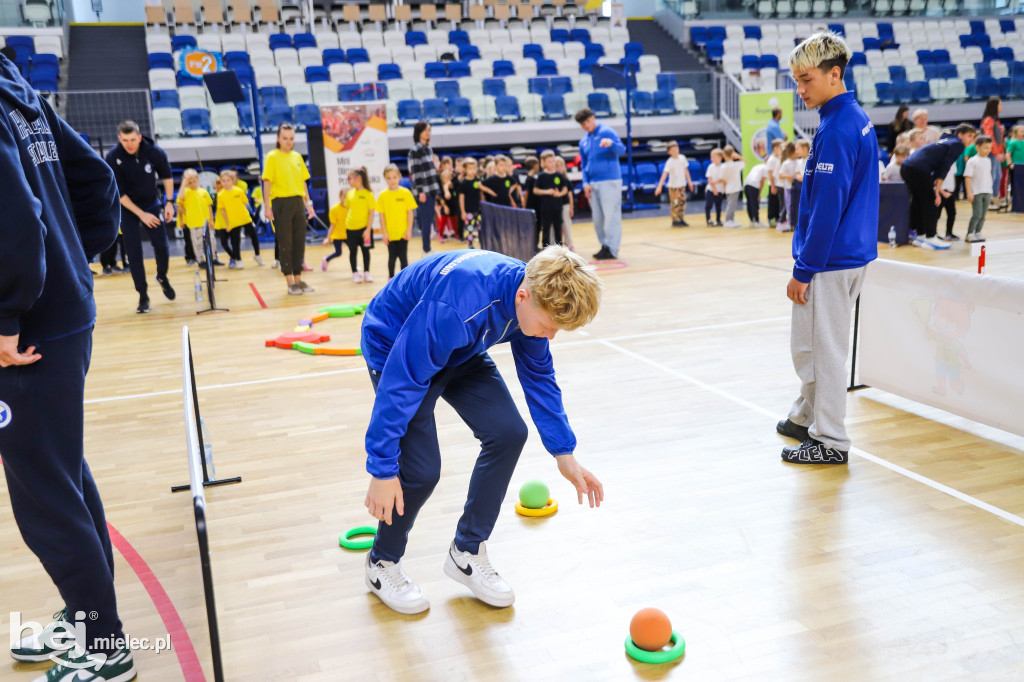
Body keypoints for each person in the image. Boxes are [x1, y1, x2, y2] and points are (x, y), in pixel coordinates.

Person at [360, 245, 605, 614]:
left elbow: (539, 377)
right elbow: (403, 379)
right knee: (421, 472)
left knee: (508, 433)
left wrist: (564, 453)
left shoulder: (534, 294)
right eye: (548, 327)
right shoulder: (459, 305)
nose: (549, 337)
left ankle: (467, 552)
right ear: (522, 297)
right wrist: (382, 468)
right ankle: (381, 563)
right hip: (396, 347)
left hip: (458, 348)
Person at [0, 51, 137, 681]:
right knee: (62, 469)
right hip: (61, 312)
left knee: (43, 490)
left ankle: (105, 648)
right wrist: (72, 265)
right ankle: (88, 617)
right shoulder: (16, 84)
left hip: (25, 332)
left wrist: (10, 313)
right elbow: (95, 178)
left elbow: (16, 221)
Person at [776, 31, 879, 466]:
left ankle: (831, 439)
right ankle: (807, 415)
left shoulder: (838, 128)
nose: (800, 91)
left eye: (807, 80)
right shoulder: (848, 118)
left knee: (821, 350)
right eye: (797, 81)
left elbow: (827, 209)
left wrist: (805, 268)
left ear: (834, 74)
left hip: (830, 261)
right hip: (845, 256)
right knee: (814, 346)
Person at [104, 120, 176, 314]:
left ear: (140, 137)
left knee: (162, 248)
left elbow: (167, 177)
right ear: (119, 139)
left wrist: (169, 202)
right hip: (128, 209)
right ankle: (143, 296)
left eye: (133, 140)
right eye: (125, 140)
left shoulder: (154, 152)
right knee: (134, 253)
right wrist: (141, 215)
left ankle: (162, 276)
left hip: (152, 204)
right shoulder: (112, 157)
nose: (129, 144)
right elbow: (119, 194)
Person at [900, 123, 977, 249]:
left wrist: (937, 187)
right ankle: (931, 237)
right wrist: (937, 189)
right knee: (929, 202)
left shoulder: (947, 140)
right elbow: (944, 166)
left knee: (919, 202)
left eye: (973, 137)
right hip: (919, 169)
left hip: (907, 167)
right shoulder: (958, 144)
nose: (971, 140)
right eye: (969, 136)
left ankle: (920, 237)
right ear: (960, 135)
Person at [262, 122, 316, 295]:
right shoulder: (272, 156)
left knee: (299, 241)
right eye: (285, 138)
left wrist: (309, 203)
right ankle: (289, 281)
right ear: (278, 139)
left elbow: (303, 183)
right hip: (280, 203)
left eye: (291, 138)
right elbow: (267, 182)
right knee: (286, 243)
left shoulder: (297, 157)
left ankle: (299, 280)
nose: (288, 142)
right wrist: (267, 206)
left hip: (298, 202)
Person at [575, 107, 625, 260]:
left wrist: (611, 144)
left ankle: (612, 248)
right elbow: (584, 164)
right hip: (593, 183)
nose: (587, 126)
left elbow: (622, 149)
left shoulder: (607, 132)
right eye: (583, 124)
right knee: (598, 219)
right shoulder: (584, 141)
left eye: (588, 122)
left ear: (593, 117)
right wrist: (585, 182)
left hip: (609, 180)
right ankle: (604, 245)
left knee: (611, 216)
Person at [377, 164, 417, 278]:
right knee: (392, 257)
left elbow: (410, 213)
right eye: (388, 178)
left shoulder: (406, 193)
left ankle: (405, 280)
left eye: (394, 177)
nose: (392, 180)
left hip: (403, 233)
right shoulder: (383, 195)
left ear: (399, 177)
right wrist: (384, 233)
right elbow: (381, 216)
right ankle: (390, 278)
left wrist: (409, 230)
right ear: (385, 178)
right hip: (390, 234)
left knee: (403, 257)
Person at [408, 121, 441, 254]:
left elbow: (429, 171)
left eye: (429, 130)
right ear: (419, 132)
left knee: (429, 220)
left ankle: (427, 248)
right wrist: (421, 191)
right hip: (424, 192)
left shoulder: (428, 148)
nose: (428, 132)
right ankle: (426, 249)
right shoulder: (415, 150)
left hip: (431, 189)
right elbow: (416, 173)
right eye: (426, 130)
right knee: (426, 221)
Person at [176, 169, 217, 267]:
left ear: (198, 179)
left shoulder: (203, 191)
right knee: (197, 244)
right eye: (189, 182)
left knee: (211, 241)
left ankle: (213, 259)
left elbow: (209, 206)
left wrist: (211, 220)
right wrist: (184, 182)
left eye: (194, 181)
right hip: (193, 224)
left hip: (206, 222)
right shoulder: (185, 192)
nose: (192, 184)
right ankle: (200, 260)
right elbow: (180, 201)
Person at [343, 167, 376, 283]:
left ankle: (367, 272)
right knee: (353, 251)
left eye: (349, 178)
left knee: (365, 251)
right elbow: (348, 209)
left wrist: (368, 230)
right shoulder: (350, 193)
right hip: (351, 229)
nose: (348, 181)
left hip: (364, 230)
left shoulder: (368, 195)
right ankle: (355, 273)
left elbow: (371, 214)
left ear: (358, 179)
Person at [217, 170, 255, 269]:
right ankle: (234, 257)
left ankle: (239, 259)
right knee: (225, 243)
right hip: (227, 222)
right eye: (223, 181)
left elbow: (245, 204)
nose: (225, 183)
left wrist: (250, 217)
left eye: (228, 180)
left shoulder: (239, 191)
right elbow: (223, 211)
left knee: (237, 241)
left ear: (232, 180)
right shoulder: (220, 195)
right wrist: (227, 223)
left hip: (241, 219)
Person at [533, 150, 570, 246]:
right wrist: (547, 191)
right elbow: (535, 190)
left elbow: (565, 189)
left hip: (557, 208)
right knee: (546, 229)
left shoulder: (558, 175)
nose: (552, 163)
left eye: (553, 161)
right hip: (546, 208)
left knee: (558, 230)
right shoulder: (541, 176)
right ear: (544, 163)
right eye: (549, 161)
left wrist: (560, 194)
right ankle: (545, 249)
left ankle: (559, 250)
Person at [654, 141, 694, 227]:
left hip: (682, 185)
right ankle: (675, 220)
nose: (676, 150)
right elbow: (665, 174)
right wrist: (659, 186)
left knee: (682, 203)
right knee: (675, 204)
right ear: (669, 152)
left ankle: (681, 218)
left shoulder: (682, 158)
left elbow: (686, 170)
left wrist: (690, 182)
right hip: (673, 187)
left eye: (677, 148)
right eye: (673, 149)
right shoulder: (670, 162)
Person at [458, 158, 495, 247]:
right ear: (465, 170)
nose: (473, 170)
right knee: (469, 228)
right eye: (470, 168)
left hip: (478, 209)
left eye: (474, 168)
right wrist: (463, 212)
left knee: (480, 228)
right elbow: (461, 199)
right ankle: (470, 245)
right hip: (468, 211)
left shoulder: (477, 181)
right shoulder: (463, 183)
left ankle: (481, 244)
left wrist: (490, 192)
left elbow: (482, 191)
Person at [964, 134, 994, 243]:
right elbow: (968, 177)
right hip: (976, 192)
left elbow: (988, 176)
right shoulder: (972, 161)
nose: (988, 150)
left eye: (989, 148)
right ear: (977, 147)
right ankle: (970, 233)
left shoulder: (988, 160)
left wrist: (991, 191)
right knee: (976, 214)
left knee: (983, 215)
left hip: (987, 191)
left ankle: (978, 232)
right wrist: (969, 192)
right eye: (985, 147)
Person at [979, 97, 1007, 210]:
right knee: (992, 176)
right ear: (994, 106)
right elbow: (989, 138)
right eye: (1000, 104)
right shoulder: (988, 120)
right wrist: (997, 152)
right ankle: (988, 200)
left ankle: (994, 198)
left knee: (997, 176)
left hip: (995, 153)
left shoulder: (995, 120)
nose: (1001, 107)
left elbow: (999, 139)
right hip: (990, 153)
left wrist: (1001, 151)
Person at [321, 189, 347, 271]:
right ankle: (326, 259)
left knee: (353, 251)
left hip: (348, 235)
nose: (346, 198)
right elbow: (332, 225)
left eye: (348, 196)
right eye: (344, 196)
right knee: (338, 253)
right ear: (340, 197)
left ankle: (355, 270)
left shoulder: (352, 208)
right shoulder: (335, 209)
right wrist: (327, 239)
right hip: (337, 235)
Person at [720, 145, 745, 228]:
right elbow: (744, 161)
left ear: (724, 155)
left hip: (728, 188)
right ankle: (728, 220)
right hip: (735, 188)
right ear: (732, 153)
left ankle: (731, 219)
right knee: (732, 205)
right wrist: (738, 156)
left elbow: (723, 179)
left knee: (730, 204)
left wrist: (724, 188)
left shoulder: (723, 166)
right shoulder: (736, 165)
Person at [555, 156, 575, 250]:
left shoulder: (565, 179)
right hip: (555, 206)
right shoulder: (552, 179)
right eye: (557, 166)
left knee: (567, 226)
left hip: (565, 205)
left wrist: (571, 207)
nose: (559, 168)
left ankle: (569, 244)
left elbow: (570, 195)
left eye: (561, 166)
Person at [777, 142, 796, 232]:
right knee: (789, 206)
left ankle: (794, 223)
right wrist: (788, 176)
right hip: (788, 187)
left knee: (795, 206)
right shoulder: (786, 163)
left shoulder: (798, 161)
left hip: (797, 188)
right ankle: (789, 224)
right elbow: (780, 175)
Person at [937, 165, 958, 241]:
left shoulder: (953, 163)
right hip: (941, 192)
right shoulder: (941, 162)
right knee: (937, 214)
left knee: (952, 213)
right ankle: (933, 234)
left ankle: (949, 233)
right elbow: (936, 179)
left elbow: (953, 176)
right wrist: (942, 192)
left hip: (950, 192)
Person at [704, 148, 725, 226]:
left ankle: (718, 219)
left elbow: (724, 180)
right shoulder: (711, 167)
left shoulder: (723, 167)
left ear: (720, 157)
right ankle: (708, 220)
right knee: (708, 205)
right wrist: (714, 189)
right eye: (711, 157)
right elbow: (710, 180)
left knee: (718, 206)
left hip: (720, 190)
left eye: (713, 157)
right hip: (711, 190)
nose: (711, 158)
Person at [744, 161, 768, 227]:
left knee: (749, 203)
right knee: (755, 203)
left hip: (746, 184)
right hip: (754, 185)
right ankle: (757, 221)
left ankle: (752, 221)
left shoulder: (757, 166)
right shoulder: (766, 168)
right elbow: (762, 181)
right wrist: (759, 194)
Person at [1007, 125, 1024, 213]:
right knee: (1015, 185)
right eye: (1021, 131)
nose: (1023, 133)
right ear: (1016, 133)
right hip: (1016, 167)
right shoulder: (1013, 142)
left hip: (1023, 166)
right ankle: (1014, 201)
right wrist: (1010, 163)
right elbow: (1008, 153)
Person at [766, 139, 783, 227]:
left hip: (778, 184)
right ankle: (771, 219)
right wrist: (773, 186)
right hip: (773, 185)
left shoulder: (778, 158)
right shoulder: (771, 159)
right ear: (775, 148)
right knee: (772, 203)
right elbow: (770, 174)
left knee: (777, 203)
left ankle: (776, 218)